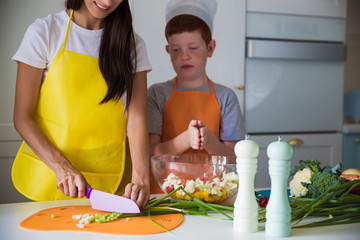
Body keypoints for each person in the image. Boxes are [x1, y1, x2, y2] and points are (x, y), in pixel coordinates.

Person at [11, 0, 151, 208]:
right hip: (48, 177)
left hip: (112, 184)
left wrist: (141, 178)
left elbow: (137, 119)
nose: (108, 2)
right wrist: (61, 166)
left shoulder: (132, 45)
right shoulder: (44, 32)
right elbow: (22, 117)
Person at [147, 0, 246, 193]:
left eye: (193, 48)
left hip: (214, 194)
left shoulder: (226, 97)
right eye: (176, 49)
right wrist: (185, 140)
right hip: (165, 194)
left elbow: (235, 158)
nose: (184, 56)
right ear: (168, 50)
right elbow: (151, 153)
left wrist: (209, 142)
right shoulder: (156, 94)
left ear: (210, 48)